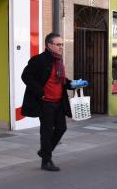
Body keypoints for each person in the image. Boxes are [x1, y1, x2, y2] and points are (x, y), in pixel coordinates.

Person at [21, 33, 87, 172]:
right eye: (58, 44)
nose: (61, 47)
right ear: (49, 45)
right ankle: (46, 161)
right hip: (45, 102)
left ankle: (45, 151)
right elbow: (25, 76)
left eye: (62, 44)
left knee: (62, 128)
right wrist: (40, 92)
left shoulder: (58, 61)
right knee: (46, 131)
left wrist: (74, 83)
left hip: (58, 102)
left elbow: (61, 81)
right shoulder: (39, 60)